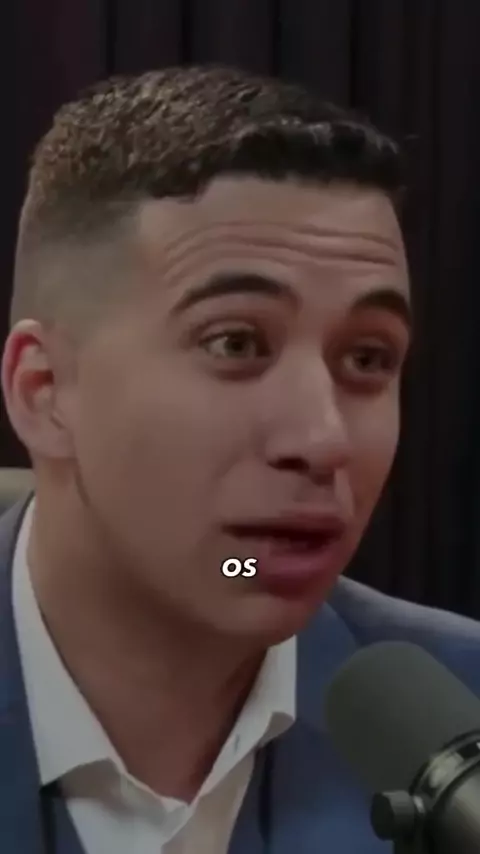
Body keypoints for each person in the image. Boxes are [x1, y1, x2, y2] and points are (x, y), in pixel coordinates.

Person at [1, 65, 480, 854]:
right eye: (235, 343)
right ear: (45, 390)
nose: (324, 439)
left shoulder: (465, 720)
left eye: (367, 358)